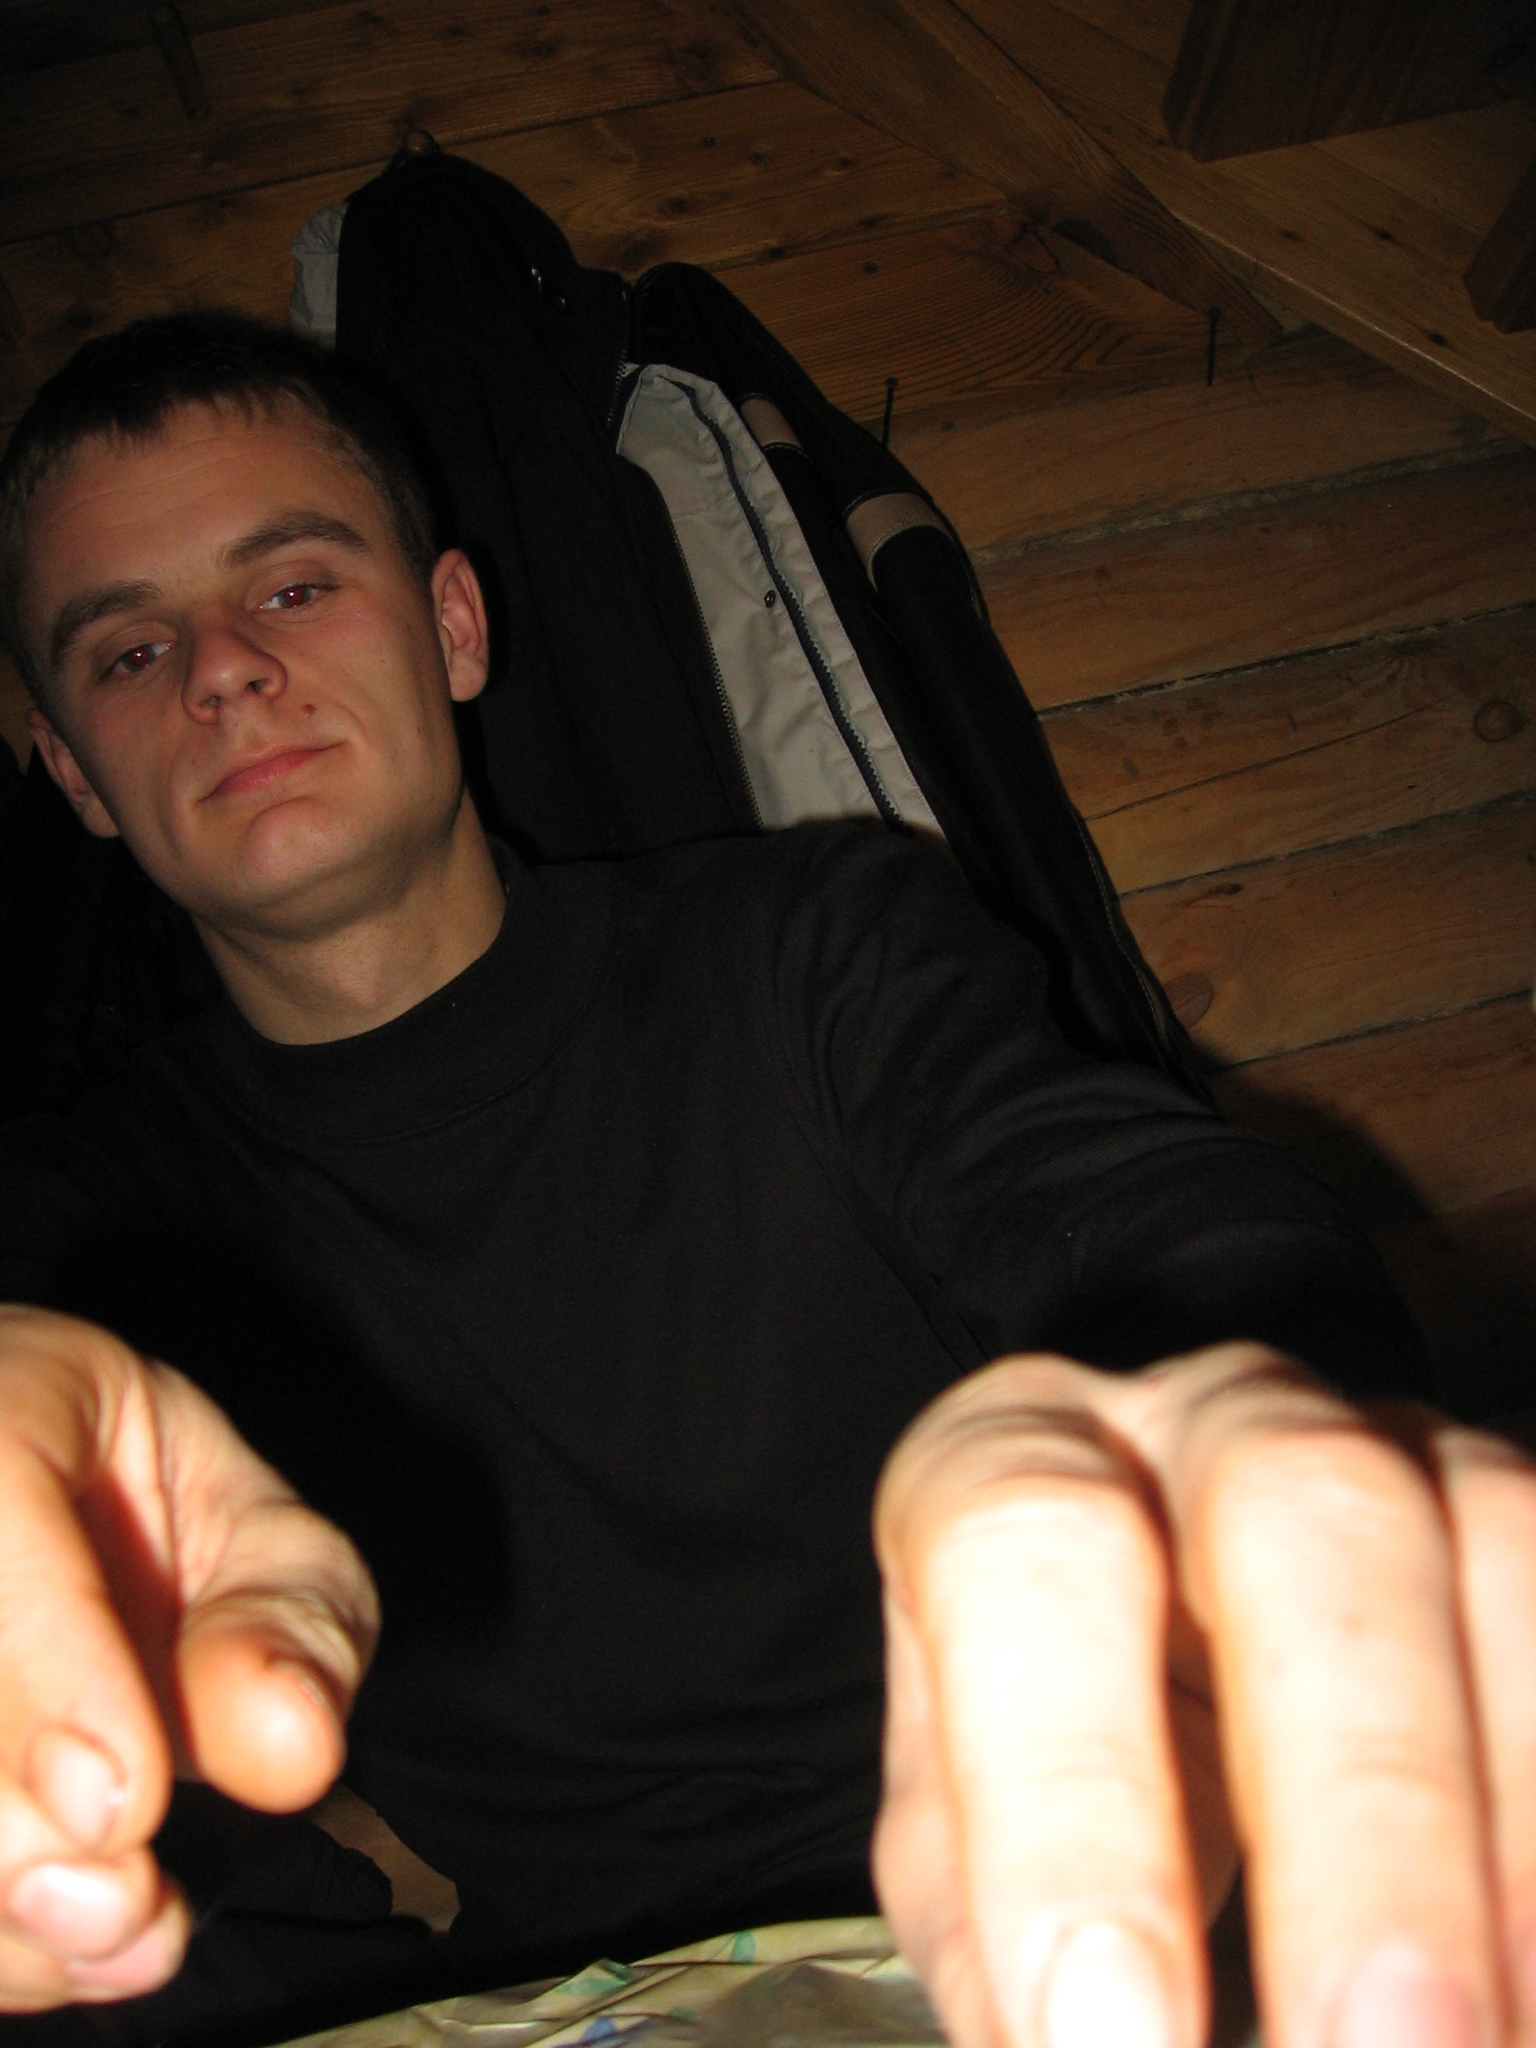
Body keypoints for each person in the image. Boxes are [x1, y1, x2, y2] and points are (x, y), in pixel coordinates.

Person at [0, 313, 1529, 2048]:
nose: (219, 670)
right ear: (75, 775)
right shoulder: (84, 1220)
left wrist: (1243, 1418)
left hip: (1084, 1871)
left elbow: (1150, 1220)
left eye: (292, 586)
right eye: (129, 651)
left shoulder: (813, 944)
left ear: (455, 625)